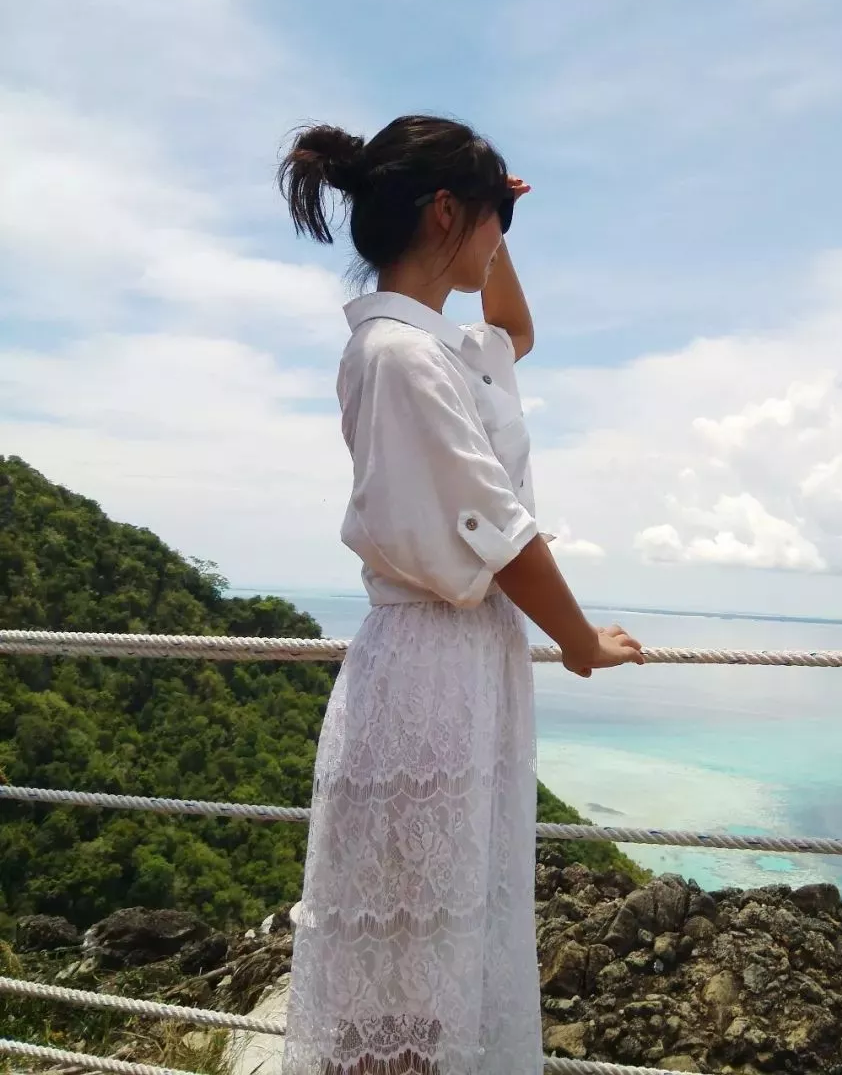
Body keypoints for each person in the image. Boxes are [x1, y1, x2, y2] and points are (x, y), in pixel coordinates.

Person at [276, 116, 644, 1075]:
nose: (496, 241)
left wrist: (501, 227)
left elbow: (516, 332)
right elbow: (496, 526)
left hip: (464, 665)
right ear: (445, 212)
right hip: (432, 671)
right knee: (405, 957)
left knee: (440, 942)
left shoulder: (437, 348)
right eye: (489, 221)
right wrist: (580, 643)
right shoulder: (400, 356)